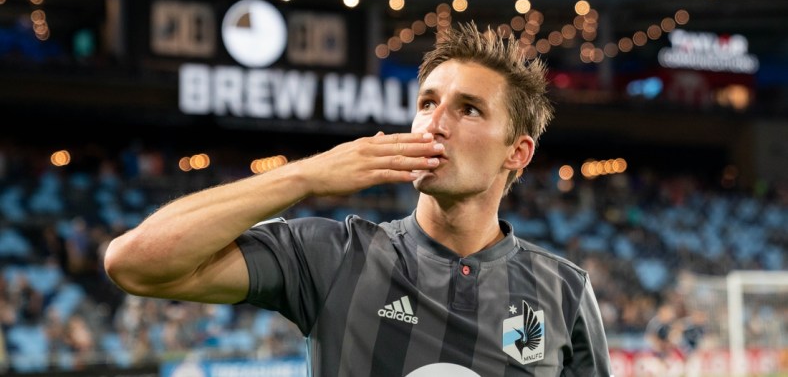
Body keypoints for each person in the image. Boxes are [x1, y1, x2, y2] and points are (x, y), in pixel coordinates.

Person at [104, 22, 613, 376]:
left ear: (517, 153)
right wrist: (302, 178)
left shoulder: (563, 291)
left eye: (470, 110)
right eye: (427, 103)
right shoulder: (335, 255)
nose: (435, 125)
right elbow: (135, 263)